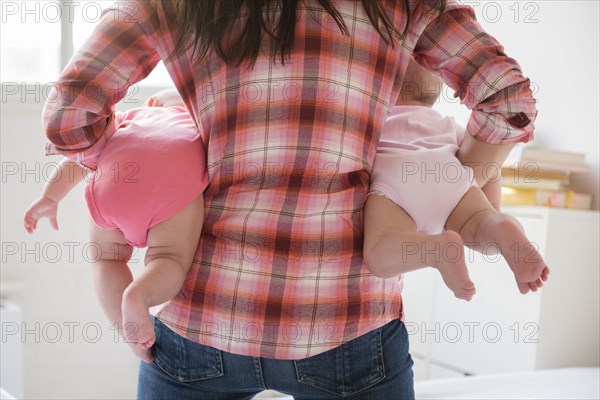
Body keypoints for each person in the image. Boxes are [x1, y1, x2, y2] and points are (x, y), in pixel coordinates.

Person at [41, 0, 543, 398]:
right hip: (347, 322)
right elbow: (508, 100)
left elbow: (68, 116)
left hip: (201, 318)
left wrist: (130, 162)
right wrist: (463, 184)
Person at [25, 89, 208, 360]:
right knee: (168, 258)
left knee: (107, 261)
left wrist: (50, 197)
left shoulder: (127, 120)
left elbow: (77, 160)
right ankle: (139, 294)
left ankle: (130, 337)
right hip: (171, 185)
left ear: (153, 103)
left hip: (113, 183)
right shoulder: (198, 125)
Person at [364, 59, 550, 301]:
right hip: (449, 176)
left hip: (395, 182)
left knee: (379, 253)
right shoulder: (447, 125)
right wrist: (491, 209)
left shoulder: (376, 125)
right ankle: (499, 225)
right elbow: (491, 169)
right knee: (482, 228)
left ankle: (436, 251)